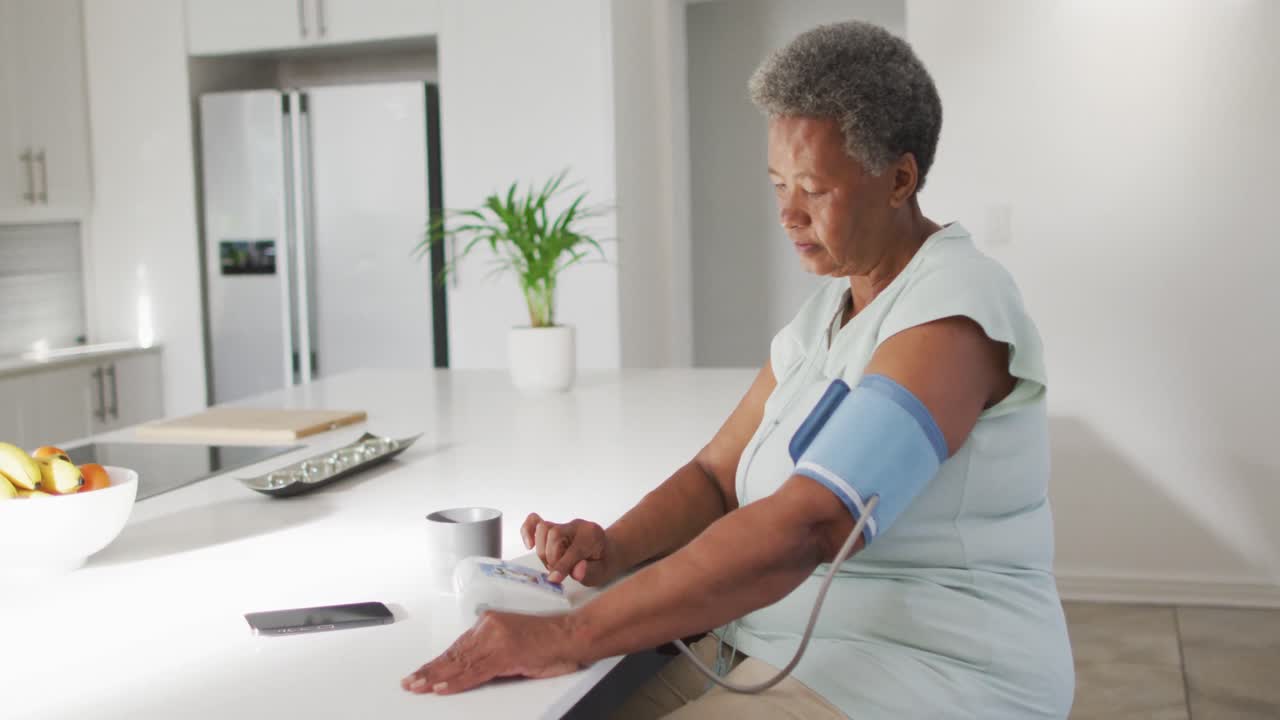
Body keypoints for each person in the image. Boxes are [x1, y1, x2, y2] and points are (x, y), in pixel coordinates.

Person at [401, 20, 1075, 719]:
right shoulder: (824, 317)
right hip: (777, 653)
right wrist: (613, 546)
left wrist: (570, 633)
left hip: (924, 673)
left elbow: (812, 525)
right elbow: (716, 477)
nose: (787, 212)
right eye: (779, 183)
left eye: (813, 188)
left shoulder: (955, 310)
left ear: (899, 179)